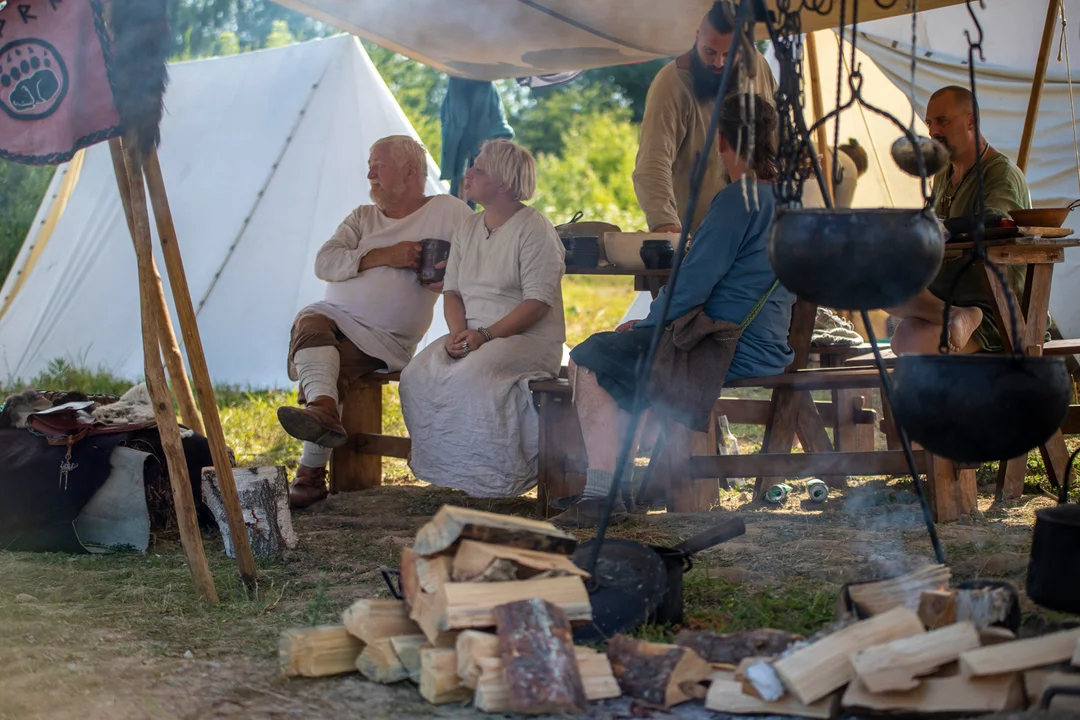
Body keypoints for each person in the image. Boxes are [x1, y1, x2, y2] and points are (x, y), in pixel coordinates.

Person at [553, 95, 796, 528]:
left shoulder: (739, 200)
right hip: (767, 343)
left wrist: (647, 323)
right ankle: (618, 488)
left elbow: (690, 285)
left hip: (723, 344)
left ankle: (601, 496)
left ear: (722, 141)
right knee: (621, 357)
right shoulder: (789, 201)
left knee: (589, 358)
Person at [279, 135, 474, 509]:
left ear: (411, 171)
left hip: (387, 339)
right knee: (312, 322)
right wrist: (384, 255)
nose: (370, 172)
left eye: (379, 165)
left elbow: (479, 256)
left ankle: (312, 463)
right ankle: (319, 422)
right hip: (336, 320)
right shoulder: (362, 218)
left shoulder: (448, 211)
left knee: (324, 355)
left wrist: (448, 278)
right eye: (370, 165)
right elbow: (326, 263)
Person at [399, 139, 566, 497]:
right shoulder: (469, 227)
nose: (468, 173)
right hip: (474, 335)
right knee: (416, 374)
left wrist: (485, 336)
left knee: (473, 376)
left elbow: (538, 302)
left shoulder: (534, 229)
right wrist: (459, 334)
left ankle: (495, 478)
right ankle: (451, 472)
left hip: (527, 340)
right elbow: (453, 292)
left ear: (504, 183)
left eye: (479, 168)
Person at [888, 86, 1031, 354]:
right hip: (948, 302)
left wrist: (941, 229)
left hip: (996, 312)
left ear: (970, 121)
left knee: (911, 343)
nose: (932, 131)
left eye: (942, 121)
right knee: (880, 287)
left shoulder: (1001, 173)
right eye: (930, 122)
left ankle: (961, 317)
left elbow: (995, 220)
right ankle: (954, 314)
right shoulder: (943, 175)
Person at [633, 1, 778, 235]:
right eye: (709, 51)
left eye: (729, 54)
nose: (718, 62)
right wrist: (665, 223)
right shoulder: (672, 84)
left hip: (760, 231)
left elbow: (778, 132)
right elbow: (653, 163)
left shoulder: (758, 67)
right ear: (697, 38)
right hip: (701, 234)